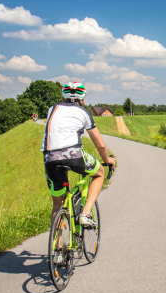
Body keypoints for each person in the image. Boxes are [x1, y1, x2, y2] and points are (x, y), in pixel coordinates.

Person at [42, 82, 115, 228]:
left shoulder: (52, 109)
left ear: (63, 98)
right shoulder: (84, 113)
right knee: (99, 173)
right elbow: (100, 144)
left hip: (50, 157)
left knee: (57, 204)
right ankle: (85, 213)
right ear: (83, 100)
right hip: (73, 154)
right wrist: (107, 160)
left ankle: (57, 246)